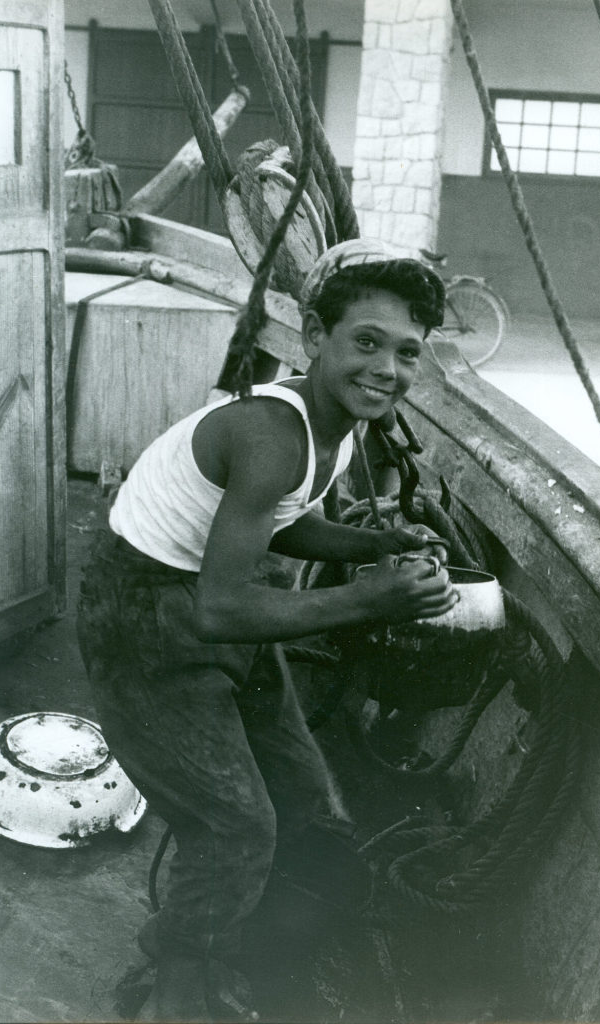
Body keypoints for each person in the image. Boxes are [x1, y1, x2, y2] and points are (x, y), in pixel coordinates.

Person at [76, 237, 458, 1022]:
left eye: (407, 352)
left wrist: (374, 544)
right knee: (235, 824)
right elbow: (220, 611)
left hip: (214, 596)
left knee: (303, 796)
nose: (387, 369)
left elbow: (281, 524)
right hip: (143, 614)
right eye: (366, 342)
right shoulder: (270, 434)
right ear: (315, 338)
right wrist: (375, 598)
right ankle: (174, 981)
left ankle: (247, 940)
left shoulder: (334, 421)